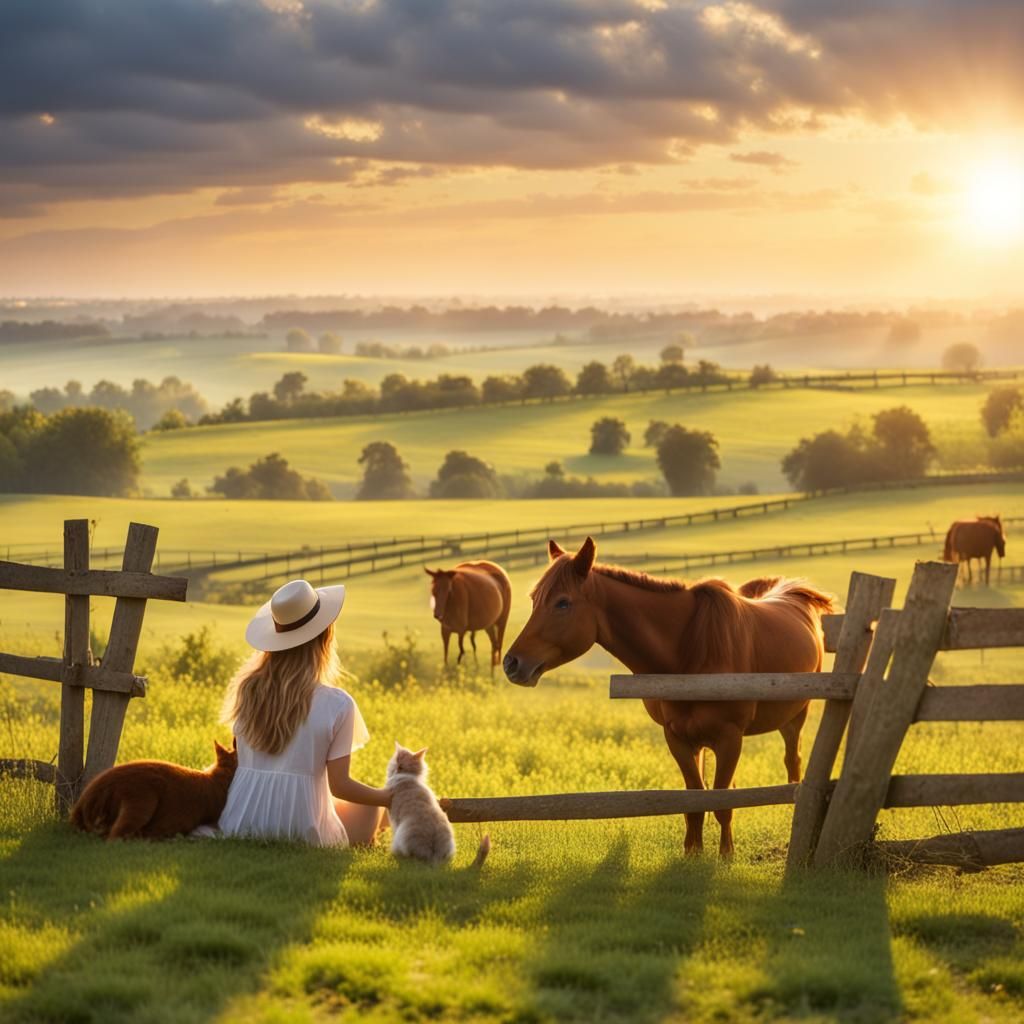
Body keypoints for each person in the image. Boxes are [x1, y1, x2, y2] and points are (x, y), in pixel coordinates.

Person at [218, 578, 390, 846]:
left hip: (241, 821)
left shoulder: (248, 690)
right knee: (370, 807)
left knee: (332, 800)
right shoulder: (338, 704)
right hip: (302, 830)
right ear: (326, 638)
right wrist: (390, 797)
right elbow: (340, 785)